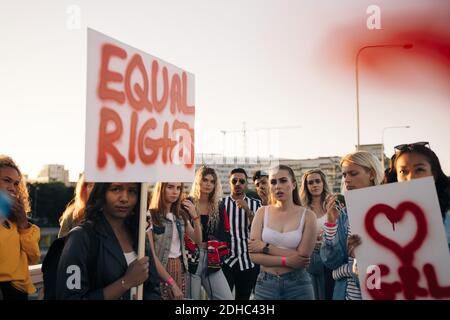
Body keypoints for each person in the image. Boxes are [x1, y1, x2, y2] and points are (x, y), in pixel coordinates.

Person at [56, 182, 160, 300]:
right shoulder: (80, 237)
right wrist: (126, 282)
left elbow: (153, 289)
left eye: (132, 191)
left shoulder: (139, 236)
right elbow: (70, 297)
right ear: (101, 192)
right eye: (116, 189)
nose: (124, 198)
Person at [320, 151, 383, 300]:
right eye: (344, 175)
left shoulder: (388, 210)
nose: (347, 180)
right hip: (344, 294)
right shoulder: (344, 214)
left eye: (353, 173)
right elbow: (331, 262)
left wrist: (345, 270)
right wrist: (330, 224)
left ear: (372, 174)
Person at [249, 164, 317, 299]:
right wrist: (286, 261)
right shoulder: (262, 212)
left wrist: (265, 247)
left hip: (298, 285)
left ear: (293, 184)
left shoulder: (308, 216)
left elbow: (302, 258)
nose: (277, 186)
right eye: (273, 182)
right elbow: (254, 256)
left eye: (283, 180)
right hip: (265, 285)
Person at [386, 142, 450, 249]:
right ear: (396, 177)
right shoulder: (384, 216)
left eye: (419, 169)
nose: (411, 177)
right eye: (403, 171)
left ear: (433, 174)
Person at [148, 182, 202, 299]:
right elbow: (152, 256)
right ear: (161, 189)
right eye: (170, 187)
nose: (175, 192)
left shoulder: (180, 215)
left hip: (180, 268)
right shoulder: (151, 216)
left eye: (178, 188)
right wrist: (172, 283)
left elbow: (197, 240)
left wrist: (195, 217)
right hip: (160, 270)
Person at [187, 166, 233, 300]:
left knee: (227, 298)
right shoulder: (188, 203)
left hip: (212, 258)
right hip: (191, 257)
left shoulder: (219, 206)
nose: (208, 184)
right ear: (198, 181)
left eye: (212, 181)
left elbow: (225, 233)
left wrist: (221, 256)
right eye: (205, 180)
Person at [0, 155, 40, 300]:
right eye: (6, 181)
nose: (12, 187)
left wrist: (23, 222)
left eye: (16, 183)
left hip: (18, 293)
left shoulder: (16, 221)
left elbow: (34, 257)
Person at [222, 168, 261, 300]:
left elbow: (259, 231)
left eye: (241, 181)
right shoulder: (221, 204)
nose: (238, 183)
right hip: (227, 261)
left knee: (243, 298)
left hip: (247, 261)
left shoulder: (256, 205)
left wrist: (247, 210)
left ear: (246, 184)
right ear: (229, 183)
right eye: (234, 180)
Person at [299, 168, 334, 300]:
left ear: (323, 183)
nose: (314, 185)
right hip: (310, 259)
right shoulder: (302, 209)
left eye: (317, 181)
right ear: (306, 186)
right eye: (310, 182)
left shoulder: (332, 205)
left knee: (329, 294)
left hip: (330, 256)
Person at [58, 174, 94, 238]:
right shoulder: (72, 214)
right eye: (90, 185)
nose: (94, 190)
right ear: (83, 188)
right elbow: (61, 244)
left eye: (97, 186)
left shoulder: (113, 213)